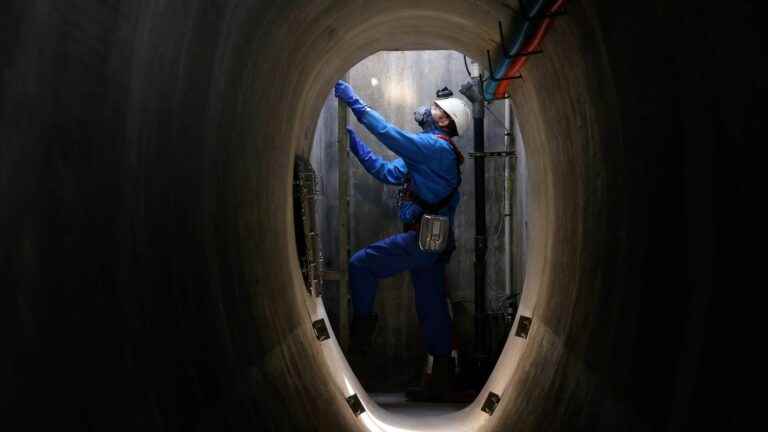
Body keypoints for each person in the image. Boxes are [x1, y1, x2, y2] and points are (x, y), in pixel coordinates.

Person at [334, 80, 471, 401]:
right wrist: (357, 148)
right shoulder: (425, 150)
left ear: (444, 121)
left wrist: (357, 106)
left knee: (361, 265)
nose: (429, 108)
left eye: (437, 109)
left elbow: (390, 136)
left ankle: (363, 330)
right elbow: (386, 172)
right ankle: (441, 381)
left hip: (423, 242)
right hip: (432, 244)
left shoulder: (435, 149)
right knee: (431, 306)